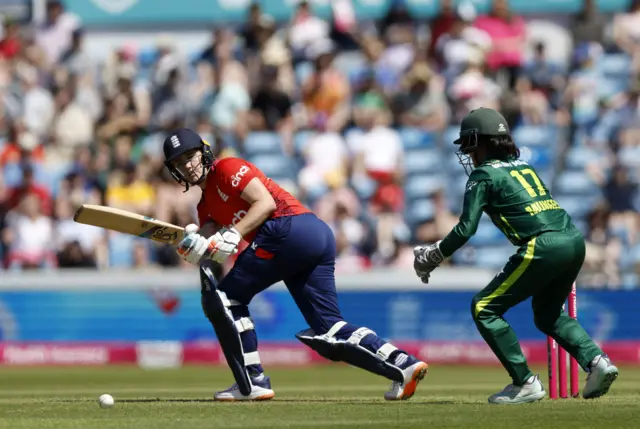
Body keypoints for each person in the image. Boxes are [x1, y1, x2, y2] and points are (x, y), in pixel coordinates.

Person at [162, 128, 428, 401]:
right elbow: (208, 235)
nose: (188, 166)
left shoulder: (227, 168)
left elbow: (264, 203)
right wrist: (193, 245)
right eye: (179, 163)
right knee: (329, 331)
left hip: (288, 228)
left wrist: (233, 234)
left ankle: (251, 382)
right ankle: (403, 364)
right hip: (311, 237)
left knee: (225, 299)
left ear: (204, 152)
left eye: (190, 156)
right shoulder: (205, 204)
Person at [412, 108, 619, 404]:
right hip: (573, 239)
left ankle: (524, 382)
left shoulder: (483, 175)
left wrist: (432, 255)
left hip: (543, 245)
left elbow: (465, 229)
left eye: (470, 146)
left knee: (484, 307)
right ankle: (597, 362)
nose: (469, 155)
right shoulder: (524, 167)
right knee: (547, 315)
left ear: (481, 142)